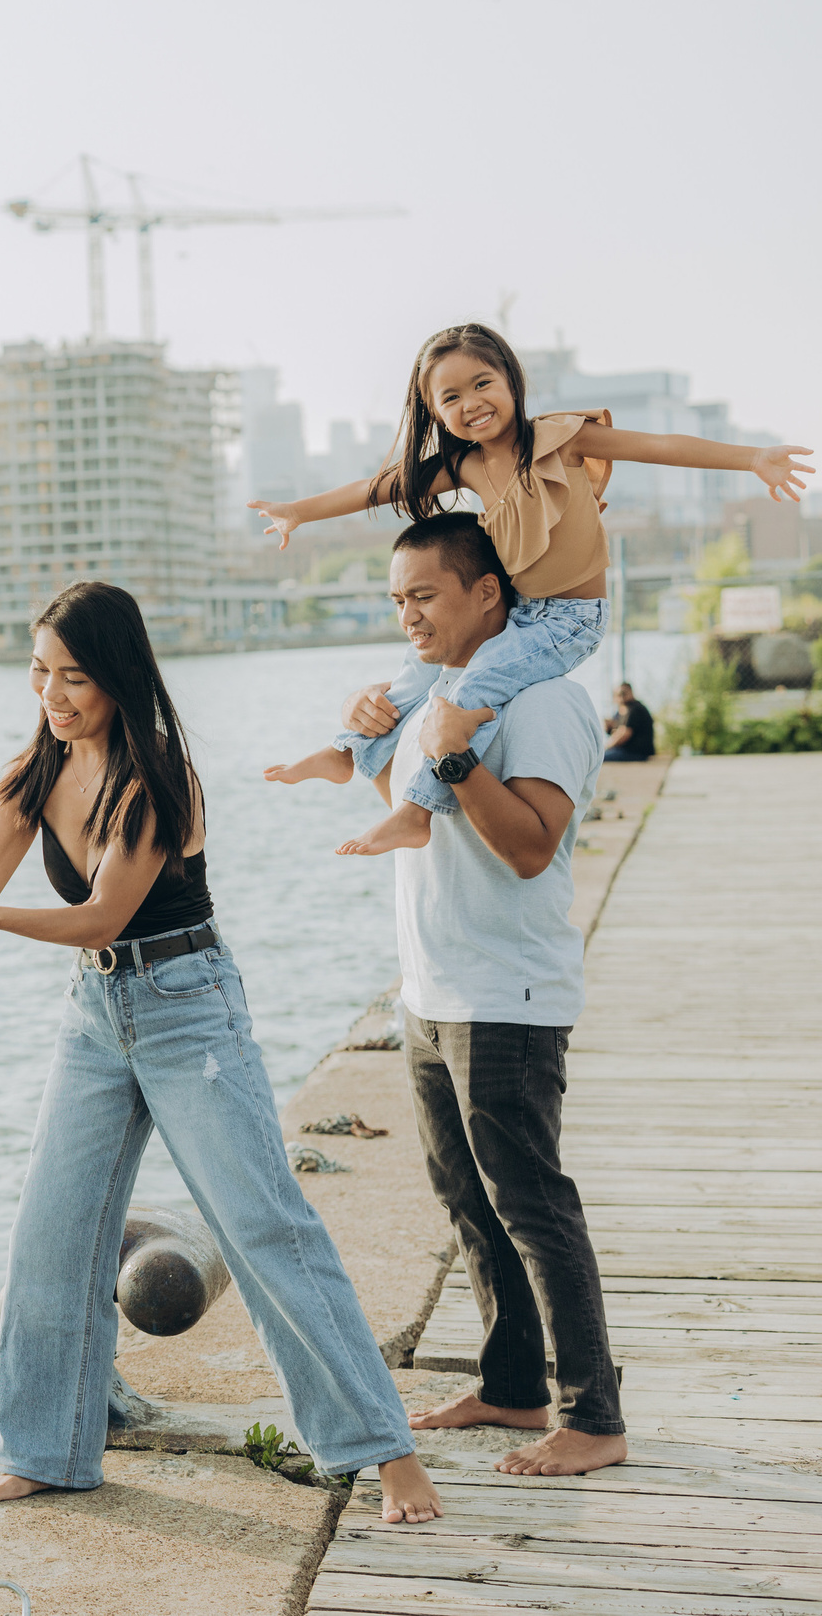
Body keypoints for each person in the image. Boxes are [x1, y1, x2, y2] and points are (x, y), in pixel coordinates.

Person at [0, 582, 442, 1525]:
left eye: (74, 677)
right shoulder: (33, 773)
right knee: (53, 1229)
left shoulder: (157, 781)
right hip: (96, 1013)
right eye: (39, 672)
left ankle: (388, 1454)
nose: (53, 695)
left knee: (263, 1227)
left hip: (189, 1009)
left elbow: (100, 913)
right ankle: (49, 1451)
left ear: (117, 677)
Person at [254, 322, 809, 856]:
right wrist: (298, 512)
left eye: (482, 384)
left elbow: (657, 444)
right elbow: (376, 488)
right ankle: (348, 751)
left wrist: (752, 458)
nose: (470, 402)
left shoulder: (561, 438)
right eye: (450, 397)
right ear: (437, 414)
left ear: (511, 382)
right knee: (417, 670)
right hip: (519, 613)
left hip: (571, 620)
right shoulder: (465, 467)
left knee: (470, 688)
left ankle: (417, 812)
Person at [335, 512, 628, 1477]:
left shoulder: (542, 699)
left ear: (487, 591)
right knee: (467, 1198)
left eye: (425, 595)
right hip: (432, 987)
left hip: (508, 990)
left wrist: (456, 759)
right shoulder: (441, 692)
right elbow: (408, 819)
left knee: (531, 1203)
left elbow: (530, 843)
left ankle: (594, 1416)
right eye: (396, 599)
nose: (407, 615)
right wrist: (376, 737)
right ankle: (512, 1387)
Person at [603, 682, 655, 762]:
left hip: (636, 753)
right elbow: (616, 732)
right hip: (628, 751)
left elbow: (624, 734)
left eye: (624, 693)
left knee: (599, 759)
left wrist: (606, 746)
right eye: (618, 694)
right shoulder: (621, 711)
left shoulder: (635, 709)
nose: (622, 696)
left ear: (631, 692)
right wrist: (608, 728)